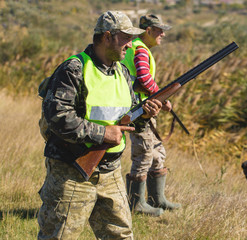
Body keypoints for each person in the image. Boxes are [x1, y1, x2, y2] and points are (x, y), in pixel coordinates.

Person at [37, 11, 163, 240]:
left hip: (111, 172)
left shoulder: (122, 73)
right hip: (71, 170)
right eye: (126, 37)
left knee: (121, 236)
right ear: (107, 37)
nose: (131, 44)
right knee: (59, 236)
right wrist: (103, 133)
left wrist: (145, 114)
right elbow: (57, 116)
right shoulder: (74, 69)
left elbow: (129, 117)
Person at [122, 14, 181, 217]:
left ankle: (158, 199)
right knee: (145, 153)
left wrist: (159, 98)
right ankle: (136, 205)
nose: (163, 34)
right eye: (159, 29)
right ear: (148, 31)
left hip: (145, 108)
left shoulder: (139, 47)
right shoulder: (139, 49)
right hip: (139, 111)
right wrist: (162, 97)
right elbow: (145, 80)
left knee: (156, 152)